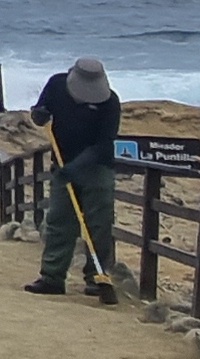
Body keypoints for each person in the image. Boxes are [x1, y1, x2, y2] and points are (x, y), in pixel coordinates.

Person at [25, 56, 125, 303]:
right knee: (59, 220)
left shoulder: (110, 103)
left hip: (96, 169)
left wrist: (75, 167)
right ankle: (52, 277)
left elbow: (104, 145)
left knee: (98, 225)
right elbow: (40, 112)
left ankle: (96, 277)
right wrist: (38, 115)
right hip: (62, 165)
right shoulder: (56, 85)